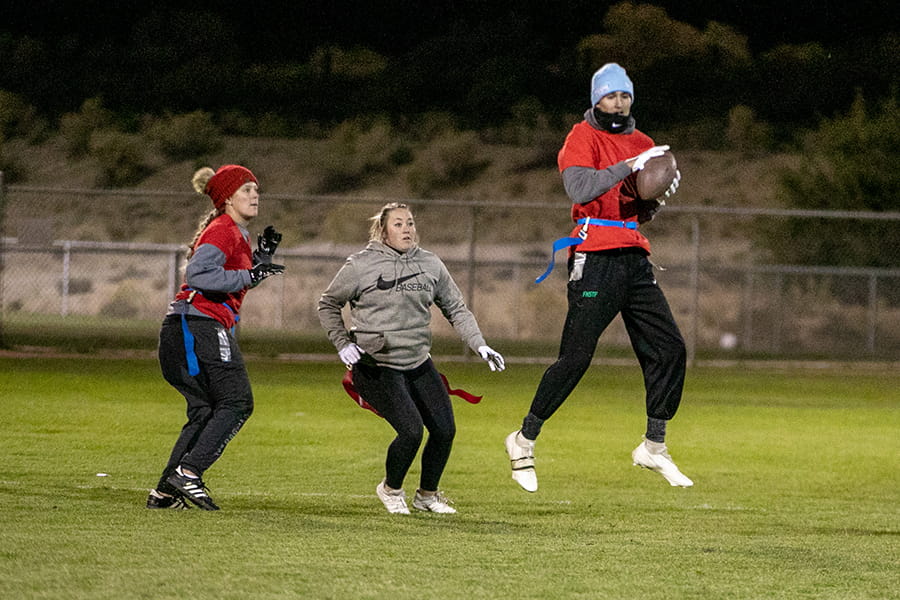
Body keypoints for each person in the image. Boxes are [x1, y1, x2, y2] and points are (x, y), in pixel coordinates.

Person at [504, 63, 692, 493]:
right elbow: (580, 189)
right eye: (611, 96)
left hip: (634, 257)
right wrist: (629, 165)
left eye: (625, 96)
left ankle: (654, 445)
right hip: (595, 256)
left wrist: (655, 199)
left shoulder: (644, 142)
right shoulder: (581, 137)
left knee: (669, 348)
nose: (619, 103)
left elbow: (635, 209)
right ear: (596, 100)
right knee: (576, 357)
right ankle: (523, 437)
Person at [318, 202, 505, 515]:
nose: (407, 229)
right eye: (399, 224)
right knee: (411, 431)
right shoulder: (361, 265)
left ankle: (426, 496)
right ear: (383, 231)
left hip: (417, 361)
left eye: (410, 223)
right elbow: (328, 304)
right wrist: (341, 343)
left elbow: (456, 309)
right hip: (375, 364)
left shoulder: (430, 264)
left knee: (444, 430)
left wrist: (480, 344)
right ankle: (390, 489)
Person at [146, 164, 285, 510]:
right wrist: (249, 274)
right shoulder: (224, 228)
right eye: (247, 190)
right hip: (199, 326)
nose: (255, 195)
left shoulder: (232, 231)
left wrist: (258, 262)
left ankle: (165, 494)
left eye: (256, 189)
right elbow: (198, 274)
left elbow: (231, 275)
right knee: (237, 402)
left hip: (189, 327)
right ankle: (189, 472)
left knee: (206, 410)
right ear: (227, 198)